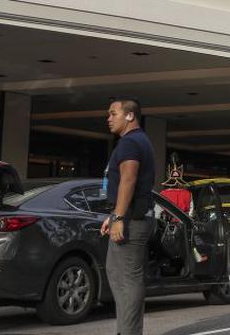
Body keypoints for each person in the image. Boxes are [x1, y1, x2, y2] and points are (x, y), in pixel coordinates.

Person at [99, 98, 156, 335]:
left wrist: (119, 218)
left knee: (127, 279)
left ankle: (129, 332)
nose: (109, 119)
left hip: (132, 220)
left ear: (130, 116)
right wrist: (113, 215)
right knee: (119, 275)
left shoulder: (130, 143)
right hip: (132, 216)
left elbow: (128, 179)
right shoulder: (138, 141)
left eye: (113, 114)